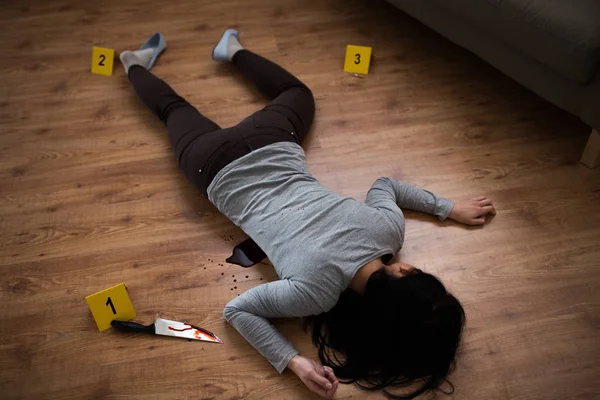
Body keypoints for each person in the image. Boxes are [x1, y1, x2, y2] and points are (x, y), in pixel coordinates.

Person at [120, 29, 496, 399]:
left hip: (270, 140)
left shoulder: (387, 230)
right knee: (172, 110)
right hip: (211, 165)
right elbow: (236, 311)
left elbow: (387, 184)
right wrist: (294, 361)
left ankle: (232, 49)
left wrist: (448, 208)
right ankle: (133, 65)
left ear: (406, 271)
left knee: (296, 94)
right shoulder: (313, 296)